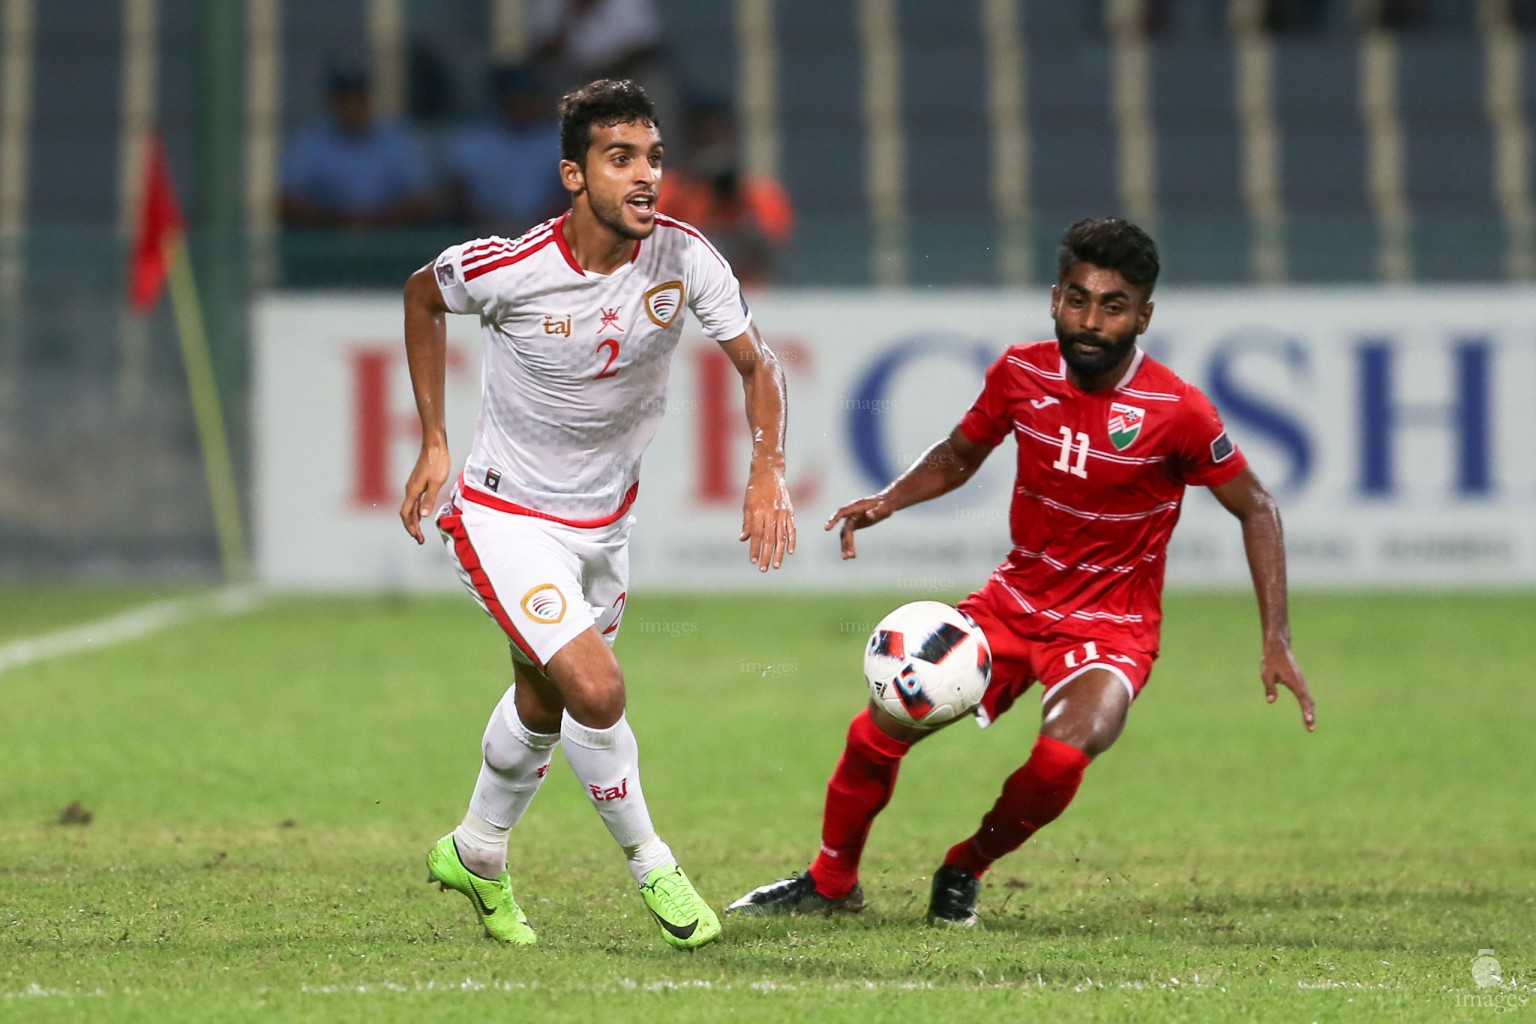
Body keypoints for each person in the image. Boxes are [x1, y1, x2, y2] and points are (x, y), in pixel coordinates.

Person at [727, 217, 1315, 927]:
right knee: (877, 728)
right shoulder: (1020, 372)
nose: (1091, 321)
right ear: (1055, 299)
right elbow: (960, 452)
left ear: (1143, 316)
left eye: (1113, 305)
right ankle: (831, 881)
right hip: (1012, 602)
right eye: (1078, 299)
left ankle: (964, 866)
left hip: (1112, 627)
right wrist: (890, 500)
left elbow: (1257, 508)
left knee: (1064, 757)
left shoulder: (1177, 411)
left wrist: (1276, 637)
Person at [398, 78, 795, 951]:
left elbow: (758, 364)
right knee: (597, 688)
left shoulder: (688, 258)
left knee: (543, 705)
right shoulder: (513, 266)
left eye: (654, 157)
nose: (646, 176)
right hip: (503, 514)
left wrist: (766, 467)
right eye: (621, 160)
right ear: (574, 176)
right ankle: (654, 864)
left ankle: (476, 850)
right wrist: (433, 439)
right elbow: (423, 294)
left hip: (604, 528)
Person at [659, 100, 794, 288]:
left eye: (720, 139)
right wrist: (688, 190)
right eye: (704, 141)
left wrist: (738, 206)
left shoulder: (762, 195)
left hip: (747, 297)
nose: (714, 151)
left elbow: (771, 259)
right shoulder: (666, 191)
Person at [279, 63, 433, 229]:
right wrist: (337, 221)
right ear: (333, 101)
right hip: (326, 238)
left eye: (358, 97)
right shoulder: (311, 140)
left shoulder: (397, 139)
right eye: (345, 98)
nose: (352, 105)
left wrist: (373, 221)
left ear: (369, 99)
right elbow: (288, 200)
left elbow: (421, 200)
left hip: (388, 238)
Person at [443, 65, 567, 236]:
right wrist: (479, 222)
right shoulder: (475, 137)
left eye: (529, 97)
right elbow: (455, 190)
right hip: (479, 233)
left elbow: (569, 193)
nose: (523, 104)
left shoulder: (557, 139)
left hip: (545, 235)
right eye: (517, 97)